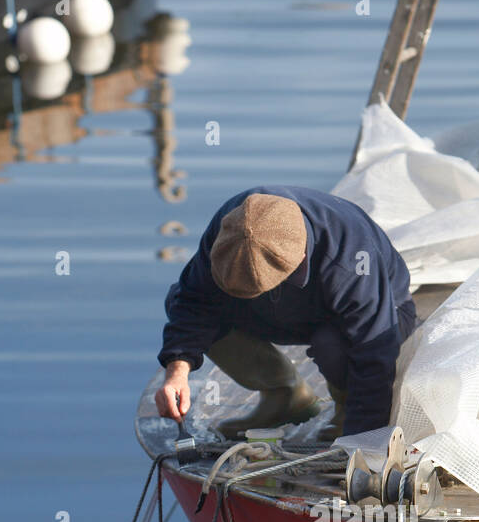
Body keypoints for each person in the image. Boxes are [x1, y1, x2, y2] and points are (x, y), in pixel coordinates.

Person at [155, 185, 418, 438]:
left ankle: (345, 405)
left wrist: (361, 443)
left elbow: (374, 353)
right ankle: (285, 395)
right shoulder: (233, 225)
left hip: (383, 316)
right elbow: (193, 300)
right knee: (179, 300)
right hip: (282, 307)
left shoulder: (350, 258)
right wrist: (177, 372)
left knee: (331, 343)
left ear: (298, 261)